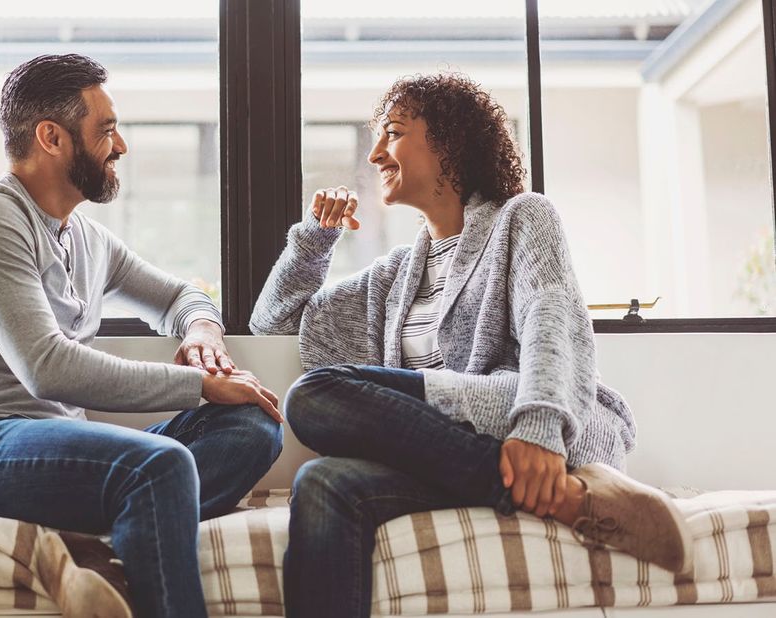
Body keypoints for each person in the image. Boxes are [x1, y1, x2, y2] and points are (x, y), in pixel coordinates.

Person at [250, 73, 692, 618]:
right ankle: (565, 499)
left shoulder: (521, 217)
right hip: (444, 456)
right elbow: (274, 321)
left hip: (526, 414)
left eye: (392, 133)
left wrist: (539, 427)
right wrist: (315, 239)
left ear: (449, 143)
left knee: (311, 395)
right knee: (320, 480)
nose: (375, 154)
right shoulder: (392, 277)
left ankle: (538, 476)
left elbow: (550, 319)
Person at [0, 53, 284, 618]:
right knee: (161, 466)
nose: (120, 146)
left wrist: (202, 335)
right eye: (105, 131)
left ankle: (105, 549)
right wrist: (196, 384)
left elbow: (182, 296)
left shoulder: (87, 239)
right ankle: (131, 542)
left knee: (255, 425)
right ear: (51, 137)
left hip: (41, 453)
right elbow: (48, 367)